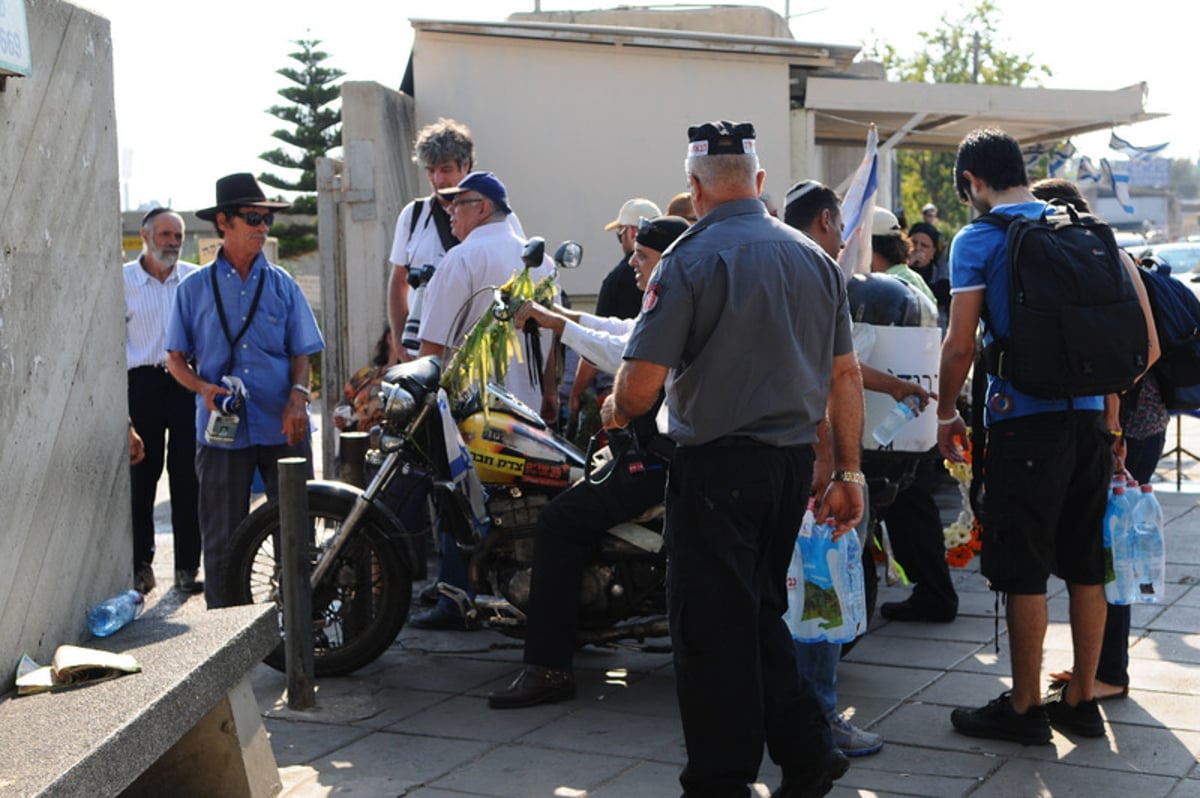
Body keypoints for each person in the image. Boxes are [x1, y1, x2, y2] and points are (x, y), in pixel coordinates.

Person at [611, 121, 861, 797]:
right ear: (758, 183)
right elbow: (845, 377)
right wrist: (849, 471)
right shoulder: (814, 258)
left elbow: (637, 389)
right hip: (789, 469)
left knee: (709, 632)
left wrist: (614, 408)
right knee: (753, 614)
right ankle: (808, 752)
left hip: (718, 470)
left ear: (694, 190)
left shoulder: (686, 261)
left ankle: (720, 781)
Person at [937, 128, 1156, 744]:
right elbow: (1129, 337)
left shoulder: (978, 238)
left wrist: (945, 411)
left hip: (1020, 420)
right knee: (1087, 564)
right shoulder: (1081, 229)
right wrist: (1110, 418)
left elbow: (960, 343)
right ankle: (1083, 699)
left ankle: (1026, 707)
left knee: (1022, 565)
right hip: (1088, 419)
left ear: (972, 183)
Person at [487, 215, 690, 710]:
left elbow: (625, 352)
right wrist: (558, 315)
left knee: (557, 522)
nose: (633, 264)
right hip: (651, 453)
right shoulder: (672, 299)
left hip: (655, 462)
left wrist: (558, 324)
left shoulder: (674, 304)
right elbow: (618, 329)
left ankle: (550, 667)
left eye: (642, 256)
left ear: (667, 258)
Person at [1030, 177, 1165, 703]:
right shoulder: (1104, 255)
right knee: (1100, 545)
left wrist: (1110, 408)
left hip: (1128, 427)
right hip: (1134, 423)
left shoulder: (1102, 258)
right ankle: (1094, 667)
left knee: (1112, 549)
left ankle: (1109, 673)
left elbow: (1146, 349)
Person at [166, 172, 325, 609]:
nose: (262, 228)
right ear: (224, 222)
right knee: (221, 537)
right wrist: (202, 388)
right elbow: (174, 359)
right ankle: (225, 639)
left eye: (267, 219)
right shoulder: (193, 288)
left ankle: (301, 622)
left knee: (298, 530)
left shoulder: (284, 285)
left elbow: (303, 353)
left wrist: (298, 395)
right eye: (253, 218)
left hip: (283, 425)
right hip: (221, 432)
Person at [411, 170, 557, 630]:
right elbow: (555, 338)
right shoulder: (543, 261)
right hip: (528, 405)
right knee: (523, 504)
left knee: (458, 496)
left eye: (458, 203)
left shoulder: (463, 258)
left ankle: (456, 596)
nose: (449, 212)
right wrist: (551, 394)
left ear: (483, 207)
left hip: (473, 409)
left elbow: (431, 349)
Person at [125, 207, 202, 595]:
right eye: (166, 235)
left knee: (189, 477)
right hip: (141, 385)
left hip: (186, 382)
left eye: (178, 236)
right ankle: (141, 565)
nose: (172, 243)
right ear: (146, 234)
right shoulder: (121, 281)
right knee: (142, 478)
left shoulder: (193, 279)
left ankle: (188, 568)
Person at [569, 198, 663, 430]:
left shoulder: (618, 279)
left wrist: (577, 391)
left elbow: (597, 343)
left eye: (620, 234)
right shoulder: (676, 281)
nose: (634, 263)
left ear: (631, 232)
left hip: (622, 394)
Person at [387, 118, 472, 364]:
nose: (437, 178)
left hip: (471, 349)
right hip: (422, 352)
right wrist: (400, 342)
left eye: (445, 169)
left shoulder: (487, 213)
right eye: (430, 170)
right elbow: (398, 282)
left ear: (465, 166)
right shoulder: (413, 216)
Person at [334, 328, 392, 433]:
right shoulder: (365, 375)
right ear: (390, 338)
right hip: (359, 441)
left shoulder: (411, 378)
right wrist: (341, 418)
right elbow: (343, 403)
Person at [907, 221, 951, 328]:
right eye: (914, 243)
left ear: (932, 252)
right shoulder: (899, 270)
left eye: (924, 246)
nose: (917, 249)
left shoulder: (941, 275)